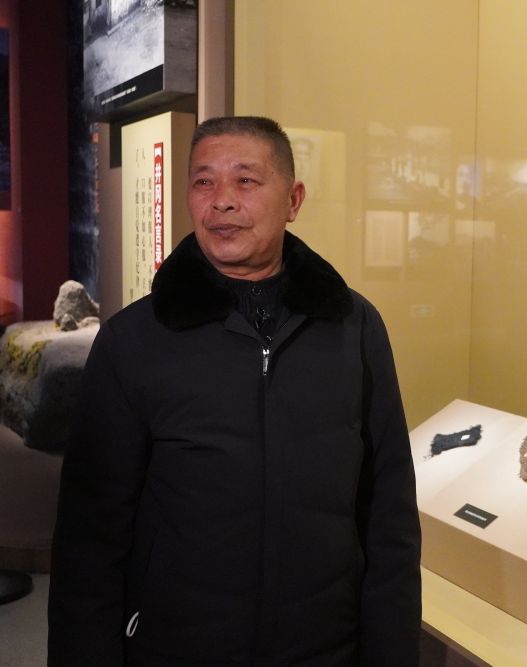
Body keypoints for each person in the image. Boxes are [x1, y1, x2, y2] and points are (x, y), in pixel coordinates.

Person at [48, 116, 421, 665]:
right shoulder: (134, 340)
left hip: (324, 648)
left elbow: (389, 515)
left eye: (246, 180)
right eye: (204, 181)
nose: (221, 201)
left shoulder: (353, 327)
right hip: (175, 648)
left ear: (293, 200)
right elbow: (89, 536)